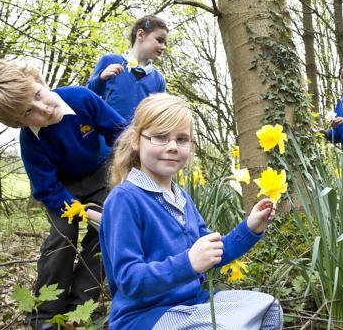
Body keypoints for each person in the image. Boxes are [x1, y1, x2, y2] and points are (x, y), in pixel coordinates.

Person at [99, 93, 282, 330]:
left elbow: (213, 253)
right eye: (161, 137)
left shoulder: (181, 198)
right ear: (136, 140)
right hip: (144, 317)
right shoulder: (125, 199)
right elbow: (128, 279)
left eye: (182, 139)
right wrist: (188, 263)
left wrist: (250, 228)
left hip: (192, 304)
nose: (173, 147)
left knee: (269, 308)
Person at [0, 60, 127, 329]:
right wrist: (81, 211)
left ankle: (80, 307)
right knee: (62, 236)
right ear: (17, 122)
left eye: (37, 95)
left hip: (101, 174)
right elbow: (47, 189)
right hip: (62, 188)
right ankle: (44, 315)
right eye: (28, 112)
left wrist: (131, 168)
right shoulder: (30, 143)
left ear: (41, 81)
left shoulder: (81, 98)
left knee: (106, 230)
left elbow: (121, 134)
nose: (43, 109)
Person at [87, 15, 168, 122]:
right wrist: (101, 78)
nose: (164, 47)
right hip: (105, 135)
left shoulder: (159, 80)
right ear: (140, 35)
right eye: (159, 40)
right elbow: (88, 96)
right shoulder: (109, 60)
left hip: (136, 137)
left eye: (165, 43)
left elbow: (158, 116)